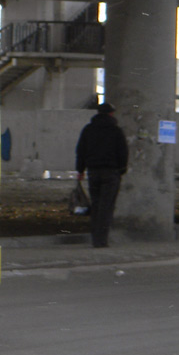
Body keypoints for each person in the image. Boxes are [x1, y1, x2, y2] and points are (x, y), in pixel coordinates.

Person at [75, 102, 128, 248]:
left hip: (93, 172)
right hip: (111, 172)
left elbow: (81, 151)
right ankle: (101, 240)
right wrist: (122, 169)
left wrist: (80, 170)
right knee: (107, 206)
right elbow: (123, 152)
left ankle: (95, 238)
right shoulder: (115, 130)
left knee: (96, 205)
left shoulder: (88, 130)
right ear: (111, 114)